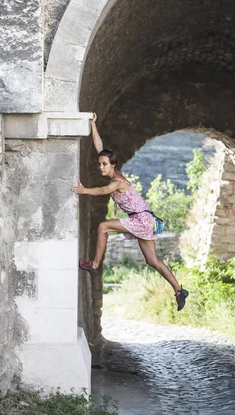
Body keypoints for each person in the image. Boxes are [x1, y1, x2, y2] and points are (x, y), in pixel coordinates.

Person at [72, 113, 189, 311]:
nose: (101, 167)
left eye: (104, 164)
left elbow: (102, 191)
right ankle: (179, 290)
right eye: (99, 164)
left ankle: (94, 265)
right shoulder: (113, 171)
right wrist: (93, 124)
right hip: (146, 219)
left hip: (142, 219)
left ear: (113, 165)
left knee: (103, 227)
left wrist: (84, 191)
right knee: (152, 261)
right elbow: (100, 148)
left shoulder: (117, 181)